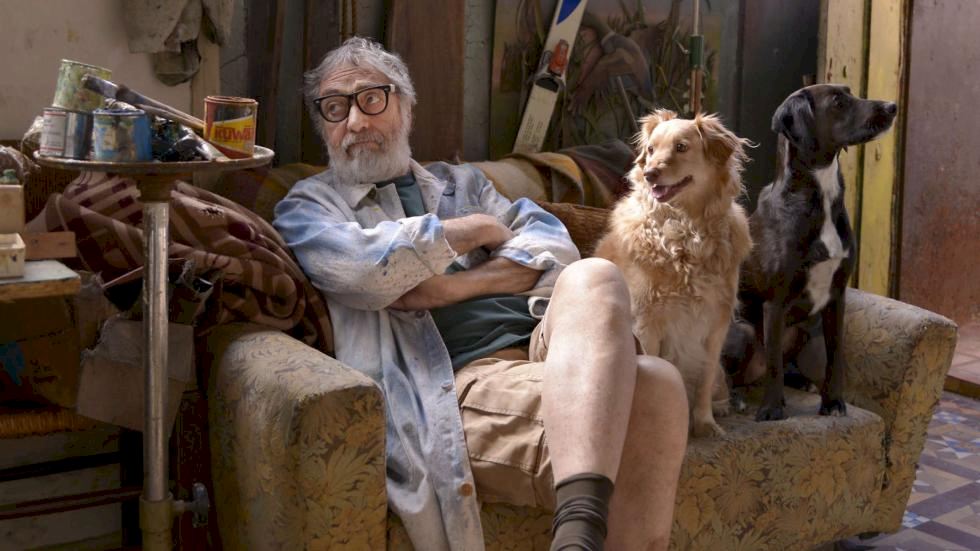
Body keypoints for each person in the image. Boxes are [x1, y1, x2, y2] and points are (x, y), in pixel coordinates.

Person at [273, 36, 689, 551]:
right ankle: (578, 535)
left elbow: (553, 246)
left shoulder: (461, 184)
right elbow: (363, 270)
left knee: (596, 276)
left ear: (405, 106)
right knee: (657, 385)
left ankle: (575, 539)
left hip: (552, 345)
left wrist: (444, 286)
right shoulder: (309, 206)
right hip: (456, 377)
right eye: (335, 109)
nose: (355, 122)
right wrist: (475, 231)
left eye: (371, 99)